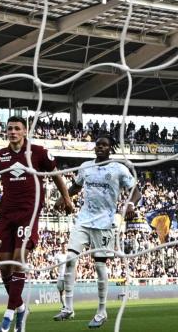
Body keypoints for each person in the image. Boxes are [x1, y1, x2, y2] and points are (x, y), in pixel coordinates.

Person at [0, 115, 76, 332]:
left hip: (29, 212)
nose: (13, 132)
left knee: (19, 259)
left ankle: (8, 316)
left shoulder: (39, 152)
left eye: (17, 128)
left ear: (25, 131)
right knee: (4, 266)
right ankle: (22, 307)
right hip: (6, 215)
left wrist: (66, 198)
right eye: (9, 128)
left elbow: (56, 176)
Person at [54, 136, 139, 328]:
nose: (100, 147)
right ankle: (68, 307)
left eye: (104, 145)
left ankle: (102, 311)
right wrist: (64, 197)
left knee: (99, 266)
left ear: (110, 149)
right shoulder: (86, 167)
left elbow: (136, 190)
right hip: (83, 220)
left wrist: (131, 203)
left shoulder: (119, 169)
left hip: (104, 223)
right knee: (70, 259)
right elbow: (76, 186)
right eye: (98, 144)